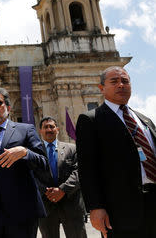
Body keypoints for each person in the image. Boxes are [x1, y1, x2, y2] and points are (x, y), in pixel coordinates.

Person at [76, 66, 156, 238]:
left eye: (125, 81)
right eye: (114, 81)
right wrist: (95, 207)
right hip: (121, 210)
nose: (121, 85)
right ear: (101, 88)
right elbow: (87, 168)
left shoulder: (145, 120)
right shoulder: (91, 120)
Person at [0, 87, 48, 238]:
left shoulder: (26, 130)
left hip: (22, 213)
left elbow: (44, 164)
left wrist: (25, 152)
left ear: (8, 107)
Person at [34, 117, 87, 238]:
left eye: (51, 127)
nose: (49, 129)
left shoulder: (72, 148)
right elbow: (32, 175)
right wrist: (47, 191)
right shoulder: (35, 152)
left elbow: (79, 171)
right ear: (40, 131)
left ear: (57, 129)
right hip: (46, 206)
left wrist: (62, 190)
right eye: (45, 127)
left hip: (71, 204)